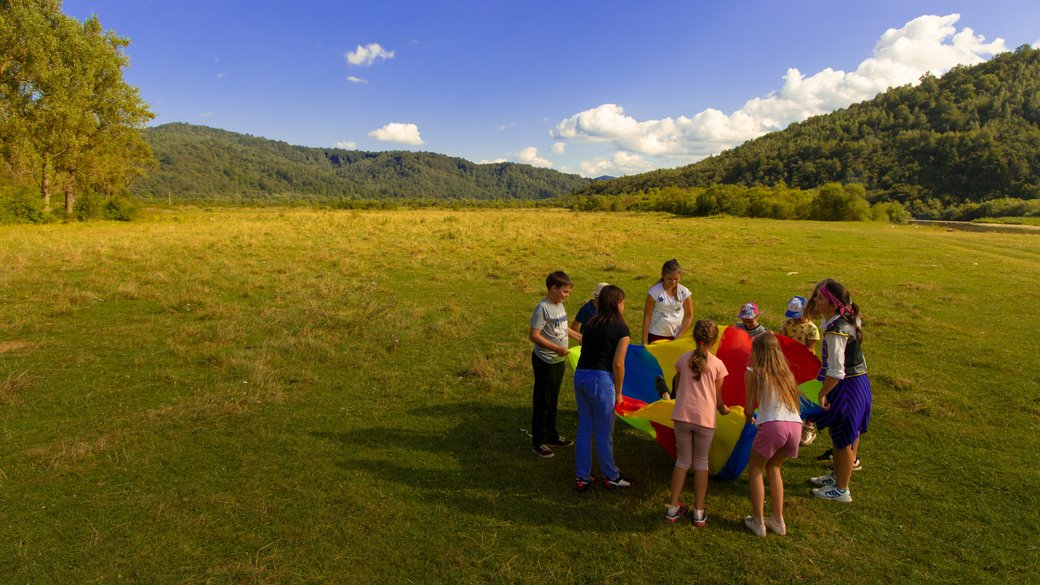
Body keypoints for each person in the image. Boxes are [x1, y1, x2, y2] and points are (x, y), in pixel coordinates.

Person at [806, 280, 872, 502]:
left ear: (833, 305)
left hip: (846, 386)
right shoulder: (849, 319)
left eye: (821, 298)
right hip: (858, 381)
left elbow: (836, 370)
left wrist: (823, 392)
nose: (816, 300)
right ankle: (838, 474)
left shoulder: (836, 331)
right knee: (846, 432)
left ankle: (842, 489)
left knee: (843, 436)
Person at [665, 320, 729, 525]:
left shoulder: (683, 360)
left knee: (682, 460)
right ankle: (699, 511)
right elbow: (718, 401)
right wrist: (726, 409)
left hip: (682, 416)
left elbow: (677, 384)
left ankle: (673, 507)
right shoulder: (718, 365)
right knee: (702, 462)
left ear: (693, 337)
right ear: (715, 340)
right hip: (704, 420)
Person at [572, 285, 634, 490]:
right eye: (623, 302)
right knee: (604, 431)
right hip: (601, 380)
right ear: (617, 303)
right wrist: (618, 392)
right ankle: (611, 475)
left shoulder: (590, 324)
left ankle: (582, 476)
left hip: (581, 376)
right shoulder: (621, 329)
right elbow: (618, 364)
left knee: (584, 429)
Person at [742, 333, 804, 537]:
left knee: (756, 469)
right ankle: (778, 520)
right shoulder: (787, 375)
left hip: (773, 426)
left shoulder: (753, 372)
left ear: (757, 352)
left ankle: (758, 522)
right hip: (795, 427)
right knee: (774, 467)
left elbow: (749, 408)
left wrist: (749, 417)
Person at [529, 271, 582, 458]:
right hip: (546, 361)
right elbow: (534, 335)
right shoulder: (542, 308)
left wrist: (579, 337)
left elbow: (562, 327)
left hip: (558, 361)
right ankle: (538, 442)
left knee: (553, 400)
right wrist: (555, 349)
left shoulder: (559, 306)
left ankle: (552, 436)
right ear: (553, 288)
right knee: (542, 401)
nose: (567, 296)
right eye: (565, 292)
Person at [778, 295, 822, 445]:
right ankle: (792, 421)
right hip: (789, 363)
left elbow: (808, 349)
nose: (795, 319)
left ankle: (808, 425)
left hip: (804, 366)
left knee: (806, 392)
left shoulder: (811, 329)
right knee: (789, 390)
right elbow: (782, 340)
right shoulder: (788, 323)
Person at [642, 259, 693, 345]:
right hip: (656, 335)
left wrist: (679, 336)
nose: (673, 282)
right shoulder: (654, 292)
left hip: (676, 336)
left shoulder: (684, 292)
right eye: (669, 279)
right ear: (663, 275)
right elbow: (647, 316)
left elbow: (689, 316)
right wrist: (644, 340)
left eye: (676, 279)